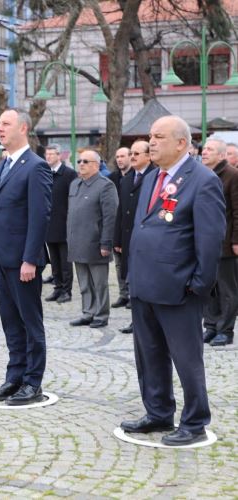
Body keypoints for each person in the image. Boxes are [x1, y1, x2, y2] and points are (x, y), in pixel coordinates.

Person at [121, 115, 226, 446]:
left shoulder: (202, 180)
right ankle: (158, 412)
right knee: (148, 354)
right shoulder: (153, 176)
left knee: (186, 358)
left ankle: (194, 422)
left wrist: (198, 284)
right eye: (150, 136)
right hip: (144, 283)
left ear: (182, 143)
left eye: (159, 137)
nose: (151, 142)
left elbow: (210, 241)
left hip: (178, 287)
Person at [0, 108, 52, 406]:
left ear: (23, 128)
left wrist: (30, 259)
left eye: (6, 123)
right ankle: (14, 377)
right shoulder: (0, 167)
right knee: (10, 322)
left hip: (23, 261)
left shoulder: (35, 166)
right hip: (0, 258)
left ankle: (32, 382)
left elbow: (40, 216)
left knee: (29, 323)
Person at [68, 150, 118, 328]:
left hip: (95, 243)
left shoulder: (105, 185)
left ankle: (101, 315)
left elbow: (110, 217)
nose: (81, 164)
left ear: (96, 165)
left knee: (99, 284)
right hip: (77, 243)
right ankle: (88, 312)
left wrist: (106, 243)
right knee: (83, 283)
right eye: (79, 161)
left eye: (86, 161)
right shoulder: (75, 184)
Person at [113, 141, 155, 334]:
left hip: (147, 241)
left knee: (147, 281)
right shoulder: (127, 178)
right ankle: (136, 320)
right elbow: (121, 211)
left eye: (137, 153)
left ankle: (150, 320)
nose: (132, 157)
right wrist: (118, 239)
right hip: (128, 239)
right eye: (131, 153)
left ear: (149, 156)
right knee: (132, 282)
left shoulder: (154, 177)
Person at [201, 138, 238, 346]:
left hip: (225, 243)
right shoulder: (202, 175)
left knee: (227, 289)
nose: (204, 152)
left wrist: (236, 240)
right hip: (204, 243)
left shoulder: (233, 175)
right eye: (204, 148)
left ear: (222, 155)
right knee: (208, 287)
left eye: (210, 149)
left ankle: (225, 330)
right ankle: (211, 326)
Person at [44, 143, 77, 304]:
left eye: (52, 154)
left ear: (59, 156)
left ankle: (66, 290)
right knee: (54, 261)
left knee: (65, 261)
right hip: (49, 225)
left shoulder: (69, 174)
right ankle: (57, 287)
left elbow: (74, 199)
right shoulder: (44, 173)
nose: (49, 156)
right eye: (47, 154)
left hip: (64, 224)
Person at [109, 146, 131, 308]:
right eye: (117, 157)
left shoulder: (136, 177)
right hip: (117, 227)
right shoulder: (112, 178)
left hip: (131, 229)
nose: (120, 159)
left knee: (131, 264)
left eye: (123, 156)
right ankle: (123, 294)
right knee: (118, 264)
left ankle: (132, 294)